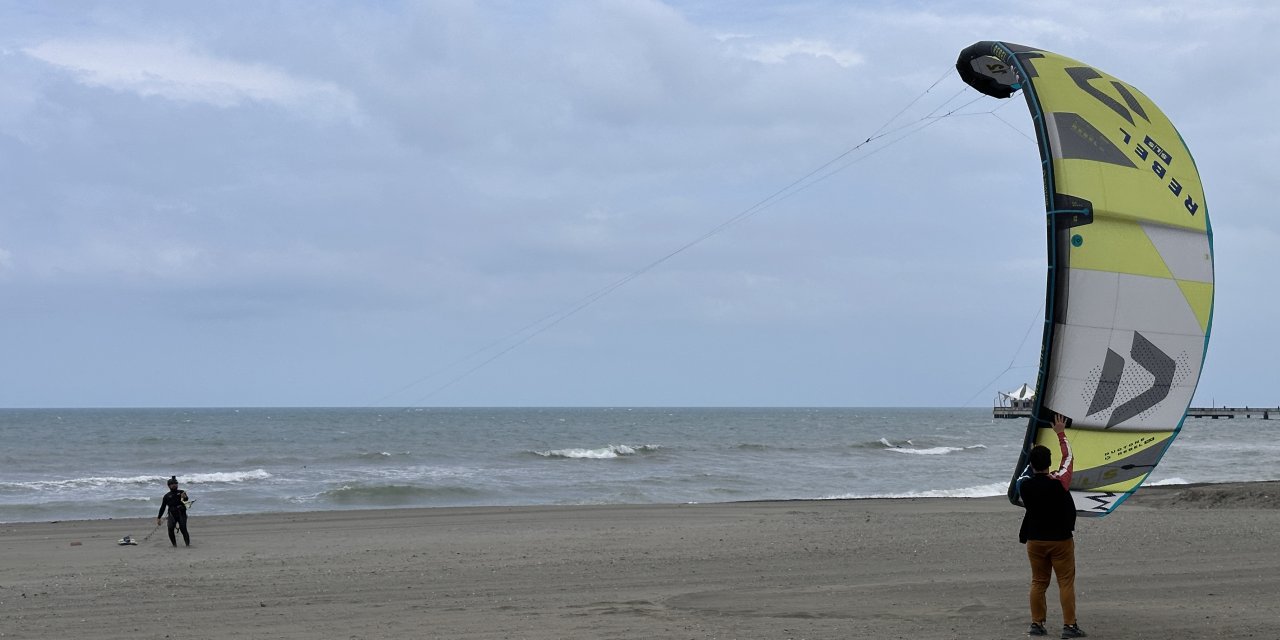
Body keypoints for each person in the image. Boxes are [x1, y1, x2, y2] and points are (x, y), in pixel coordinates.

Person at [1015, 413, 1086, 638]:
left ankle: (1037, 624)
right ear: (1048, 463)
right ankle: (1069, 627)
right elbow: (1069, 458)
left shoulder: (1024, 486)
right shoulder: (1059, 482)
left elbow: (1022, 475)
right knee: (1065, 582)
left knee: (1038, 582)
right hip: (1061, 541)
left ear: (1032, 464)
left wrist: (1030, 454)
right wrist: (1060, 432)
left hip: (1035, 540)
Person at [157, 475, 191, 547]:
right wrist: (159, 517)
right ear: (169, 486)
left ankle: (187, 545)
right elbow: (163, 507)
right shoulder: (166, 496)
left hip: (181, 513)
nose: (174, 485)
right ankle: (174, 545)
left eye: (175, 484)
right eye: (172, 484)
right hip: (172, 514)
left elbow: (186, 501)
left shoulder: (181, 492)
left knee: (183, 529)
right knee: (170, 529)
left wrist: (185, 497)